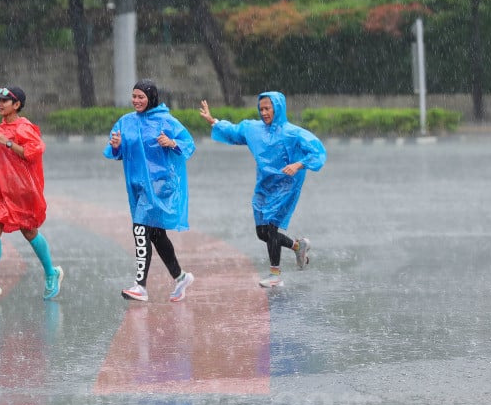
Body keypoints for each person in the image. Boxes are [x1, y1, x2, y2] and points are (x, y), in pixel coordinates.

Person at [199, 91, 326, 288]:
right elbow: (234, 132)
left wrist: (298, 165)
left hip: (286, 184)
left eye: (268, 108)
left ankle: (275, 274)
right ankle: (298, 246)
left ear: (278, 109)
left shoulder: (293, 133)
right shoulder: (253, 129)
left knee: (271, 227)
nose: (264, 112)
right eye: (261, 109)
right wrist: (213, 121)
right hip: (264, 184)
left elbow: (317, 151)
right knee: (262, 233)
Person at [104, 80, 196, 303]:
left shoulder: (166, 120)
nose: (136, 101)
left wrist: (171, 142)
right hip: (137, 186)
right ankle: (180, 277)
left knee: (139, 229)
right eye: (134, 96)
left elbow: (189, 145)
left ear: (151, 98)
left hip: (160, 184)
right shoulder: (125, 122)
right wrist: (116, 145)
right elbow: (115, 152)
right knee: (155, 234)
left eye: (141, 97)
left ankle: (140, 286)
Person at [0, 86, 63, 300]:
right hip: (1, 189)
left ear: (17, 105)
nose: (0, 104)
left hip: (22, 192)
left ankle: (51, 272)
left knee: (29, 232)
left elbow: (34, 151)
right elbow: (8, 159)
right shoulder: (0, 127)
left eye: (5, 100)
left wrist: (9, 143)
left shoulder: (24, 127)